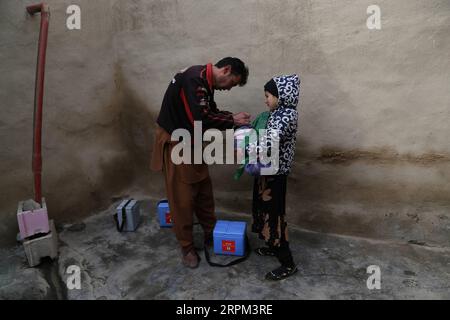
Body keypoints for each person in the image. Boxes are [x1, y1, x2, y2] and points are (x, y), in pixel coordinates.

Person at [150, 57, 250, 268]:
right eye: (232, 83)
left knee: (204, 190)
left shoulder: (203, 80)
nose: (229, 89)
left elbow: (208, 111)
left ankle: (210, 232)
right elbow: (201, 119)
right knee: (182, 198)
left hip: (191, 140)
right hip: (176, 142)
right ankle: (186, 247)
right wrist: (232, 121)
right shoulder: (194, 79)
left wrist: (232, 117)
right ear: (226, 70)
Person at [250, 74, 300, 280]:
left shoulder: (286, 116)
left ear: (283, 95)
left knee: (275, 215)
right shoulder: (276, 113)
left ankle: (287, 263)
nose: (265, 99)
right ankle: (272, 244)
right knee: (264, 210)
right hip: (266, 170)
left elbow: (270, 141)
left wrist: (247, 146)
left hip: (275, 175)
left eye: (268, 95)